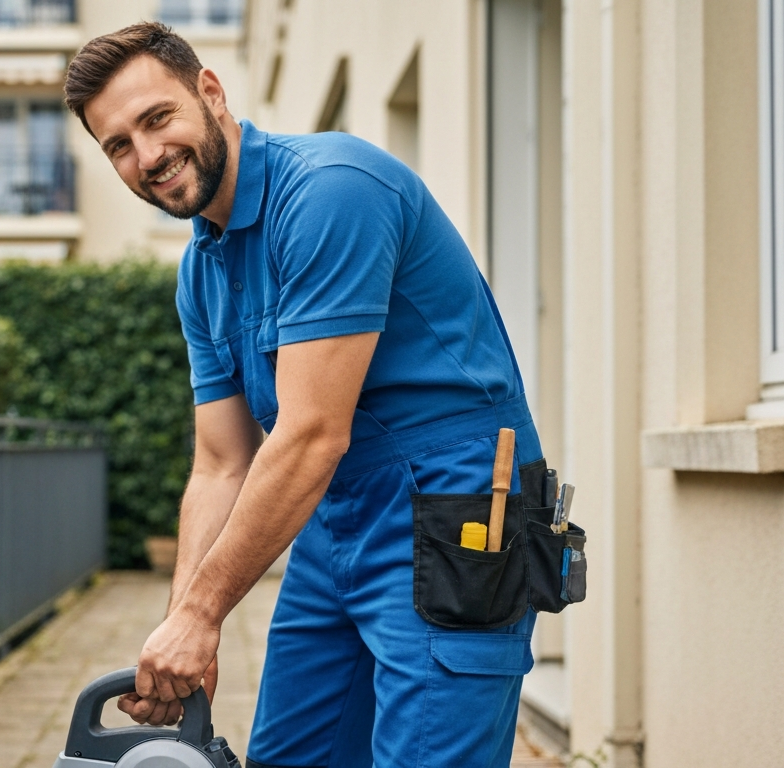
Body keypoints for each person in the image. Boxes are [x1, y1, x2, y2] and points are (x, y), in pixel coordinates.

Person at [64, 22, 544, 768]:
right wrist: (186, 624)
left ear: (211, 92)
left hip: (452, 508)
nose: (147, 156)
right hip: (332, 517)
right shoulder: (201, 270)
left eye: (157, 119)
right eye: (119, 145)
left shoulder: (331, 191)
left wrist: (204, 611)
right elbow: (221, 463)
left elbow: (313, 433)